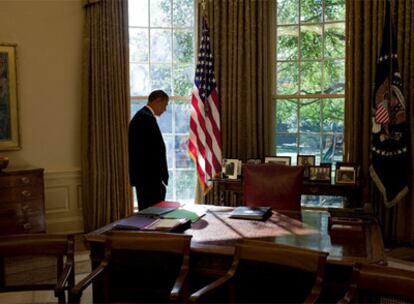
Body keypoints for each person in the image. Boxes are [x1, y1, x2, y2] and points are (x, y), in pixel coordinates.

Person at [128, 90, 169, 210]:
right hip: (150, 179)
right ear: (157, 101)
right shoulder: (146, 118)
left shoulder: (141, 116)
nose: (165, 109)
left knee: (147, 214)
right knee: (152, 215)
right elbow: (153, 152)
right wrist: (160, 178)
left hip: (144, 178)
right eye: (165, 105)